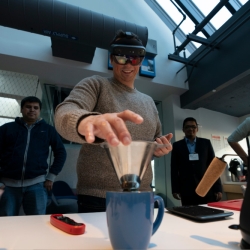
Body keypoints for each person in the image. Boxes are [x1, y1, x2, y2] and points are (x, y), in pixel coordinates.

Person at [54, 30, 173, 213]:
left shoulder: (149, 102)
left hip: (142, 194)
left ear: (141, 61)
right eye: (121, 58)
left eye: (135, 58)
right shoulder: (96, 85)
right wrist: (87, 122)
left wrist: (158, 149)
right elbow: (65, 111)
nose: (128, 64)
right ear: (111, 59)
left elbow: (153, 140)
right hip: (98, 196)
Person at [0, 96, 66, 216]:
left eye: (36, 108)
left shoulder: (48, 130)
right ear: (21, 109)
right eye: (28, 107)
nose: (32, 110)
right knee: (5, 222)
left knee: (37, 222)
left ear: (39, 110)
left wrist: (51, 176)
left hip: (36, 186)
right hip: (8, 186)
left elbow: (61, 152)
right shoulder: (6, 129)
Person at [171, 117, 222, 206]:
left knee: (208, 213)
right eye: (187, 127)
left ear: (197, 129)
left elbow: (214, 167)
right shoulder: (176, 146)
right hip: (186, 189)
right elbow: (174, 169)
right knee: (189, 215)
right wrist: (175, 189)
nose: (190, 129)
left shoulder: (206, 143)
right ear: (183, 129)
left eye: (193, 127)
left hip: (206, 187)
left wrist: (218, 188)